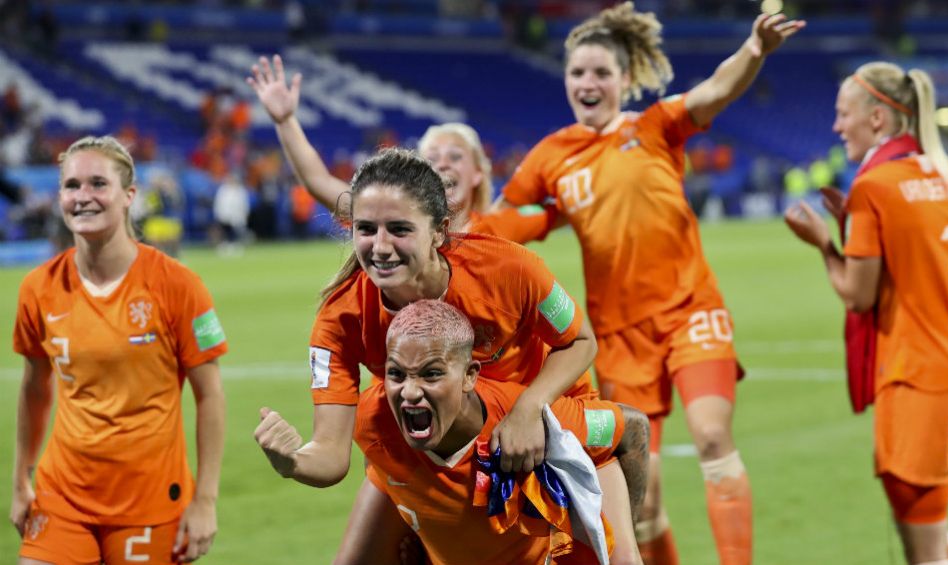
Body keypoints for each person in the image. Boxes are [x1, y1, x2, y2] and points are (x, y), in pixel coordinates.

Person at [495, 4, 804, 564]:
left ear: (624, 80)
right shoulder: (551, 156)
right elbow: (501, 222)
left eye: (601, 73)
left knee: (712, 436)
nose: (588, 83)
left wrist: (753, 50)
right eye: (578, 74)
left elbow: (713, 92)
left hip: (691, 311)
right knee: (647, 493)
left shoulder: (654, 126)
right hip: (619, 338)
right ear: (565, 80)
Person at [253, 148, 643, 564]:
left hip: (540, 425)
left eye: (399, 229)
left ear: (439, 231)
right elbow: (330, 456)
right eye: (365, 229)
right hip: (427, 441)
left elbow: (580, 341)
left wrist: (530, 409)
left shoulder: (506, 269)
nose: (380, 248)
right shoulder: (340, 319)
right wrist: (291, 461)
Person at [783, 62, 948, 565]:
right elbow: (913, 258)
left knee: (925, 552)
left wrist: (824, 246)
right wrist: (854, 230)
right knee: (935, 533)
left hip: (922, 383)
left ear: (877, 119)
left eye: (843, 114)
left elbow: (858, 295)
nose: (836, 127)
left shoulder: (874, 187)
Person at [10, 136, 227, 564]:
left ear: (129, 196)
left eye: (97, 184)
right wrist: (21, 478)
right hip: (63, 496)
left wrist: (205, 500)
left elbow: (210, 395)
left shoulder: (178, 285)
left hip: (150, 500)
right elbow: (35, 387)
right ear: (59, 197)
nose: (83, 197)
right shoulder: (38, 288)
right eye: (72, 186)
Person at [355, 298, 651, 565]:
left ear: (470, 375)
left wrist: (627, 544)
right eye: (396, 374)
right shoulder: (373, 416)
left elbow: (633, 428)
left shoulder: (536, 422)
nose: (409, 391)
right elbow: (374, 453)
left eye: (431, 374)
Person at [245, 55, 558, 244]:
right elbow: (319, 182)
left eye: (455, 156)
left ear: (478, 173)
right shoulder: (394, 220)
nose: (443, 165)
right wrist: (286, 121)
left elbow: (567, 210)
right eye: (432, 158)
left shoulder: (503, 226)